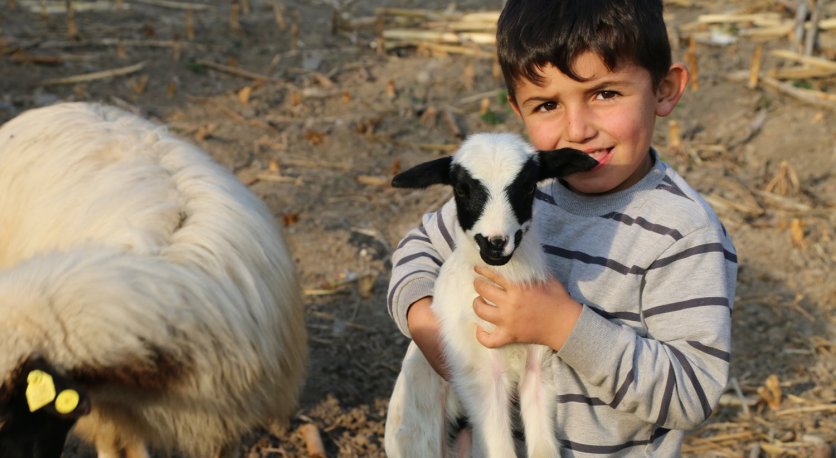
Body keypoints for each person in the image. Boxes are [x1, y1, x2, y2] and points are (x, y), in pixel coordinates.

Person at [386, 0, 738, 454]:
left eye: (605, 94)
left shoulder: (682, 233)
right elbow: (419, 246)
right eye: (547, 104)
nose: (577, 129)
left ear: (665, 90)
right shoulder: (514, 192)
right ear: (517, 109)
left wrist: (564, 326)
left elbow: (691, 392)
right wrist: (428, 324)